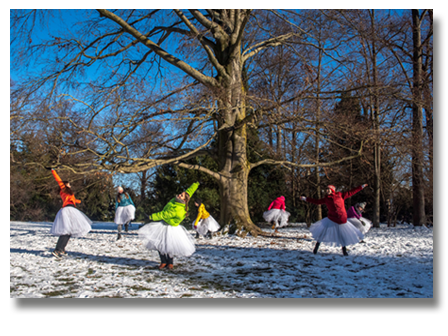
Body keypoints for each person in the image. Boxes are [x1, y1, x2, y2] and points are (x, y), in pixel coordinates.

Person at [138, 182, 199, 270]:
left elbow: (164, 214)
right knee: (159, 244)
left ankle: (170, 263)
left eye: (181, 196)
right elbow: (190, 191)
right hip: (164, 224)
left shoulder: (178, 210)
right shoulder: (177, 201)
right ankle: (163, 261)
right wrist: (196, 184)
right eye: (180, 194)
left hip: (171, 228)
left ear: (184, 200)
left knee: (169, 245)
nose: (179, 195)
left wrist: (151, 217)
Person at [300, 184, 367, 256]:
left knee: (341, 235)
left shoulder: (341, 195)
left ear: (332, 190)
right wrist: (305, 198)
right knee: (323, 232)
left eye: (328, 189)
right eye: (326, 189)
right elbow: (317, 201)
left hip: (341, 218)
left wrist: (361, 187)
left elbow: (351, 192)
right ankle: (316, 248)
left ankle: (344, 251)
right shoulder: (326, 199)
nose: (327, 191)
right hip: (332, 218)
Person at [50, 169, 92, 258]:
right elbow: (58, 180)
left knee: (69, 231)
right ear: (65, 184)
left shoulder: (68, 192)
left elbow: (71, 200)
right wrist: (53, 171)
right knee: (66, 231)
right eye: (69, 183)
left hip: (70, 209)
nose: (70, 185)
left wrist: (78, 201)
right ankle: (57, 250)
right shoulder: (64, 189)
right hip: (68, 210)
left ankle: (61, 249)